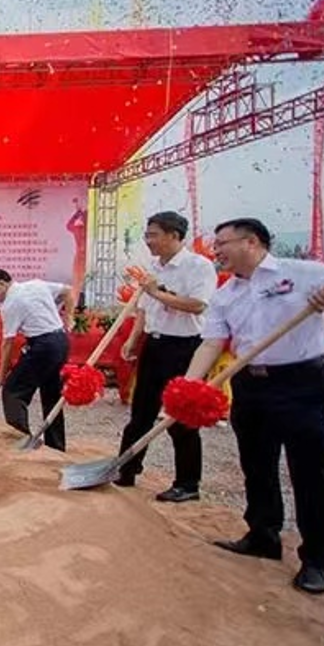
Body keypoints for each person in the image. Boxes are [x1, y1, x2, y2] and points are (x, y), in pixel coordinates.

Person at [181, 218, 324, 595]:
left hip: (299, 382)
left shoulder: (303, 273)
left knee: (308, 468)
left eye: (222, 243)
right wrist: (189, 387)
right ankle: (263, 535)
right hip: (249, 382)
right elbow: (211, 343)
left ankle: (318, 558)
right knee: (256, 463)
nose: (216, 251)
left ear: (251, 242)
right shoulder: (226, 294)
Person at [116, 211, 218, 502]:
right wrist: (134, 340)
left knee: (180, 416)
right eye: (147, 235)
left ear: (174, 235)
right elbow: (144, 308)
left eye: (153, 235)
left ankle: (187, 483)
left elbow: (197, 305)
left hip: (185, 348)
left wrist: (157, 293)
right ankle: (126, 468)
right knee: (141, 413)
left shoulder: (198, 267)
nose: (148, 241)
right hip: (155, 344)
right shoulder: (153, 267)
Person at [0, 268, 73, 451]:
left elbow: (7, 343)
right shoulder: (37, 285)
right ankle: (56, 446)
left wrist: (2, 375)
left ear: (1, 283)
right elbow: (68, 291)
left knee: (13, 391)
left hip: (43, 346)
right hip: (61, 341)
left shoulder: (11, 303)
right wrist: (69, 318)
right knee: (51, 394)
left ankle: (21, 441)